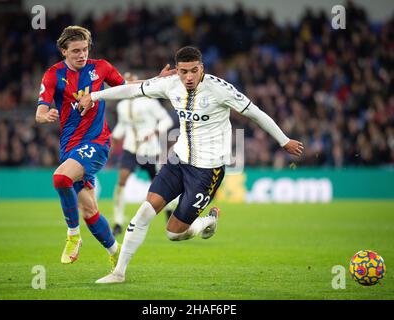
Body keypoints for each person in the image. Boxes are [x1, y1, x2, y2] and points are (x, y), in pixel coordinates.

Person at [79, 46, 304, 283]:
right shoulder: (170, 84)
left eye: (193, 71)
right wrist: (93, 97)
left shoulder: (220, 89)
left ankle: (207, 221)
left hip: (207, 171)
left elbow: (255, 113)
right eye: (183, 71)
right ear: (177, 70)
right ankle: (119, 273)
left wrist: (284, 140)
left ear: (202, 68)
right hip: (177, 160)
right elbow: (133, 90)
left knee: (173, 233)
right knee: (145, 211)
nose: (188, 77)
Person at [35, 25, 175, 270]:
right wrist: (43, 115)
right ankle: (116, 252)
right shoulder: (53, 75)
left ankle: (72, 236)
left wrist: (157, 81)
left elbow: (128, 87)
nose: (82, 55)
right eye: (76, 50)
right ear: (63, 52)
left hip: (97, 143)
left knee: (60, 178)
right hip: (70, 148)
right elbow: (40, 110)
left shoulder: (101, 68)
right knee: (89, 209)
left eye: (85, 49)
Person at [111, 72, 176, 236]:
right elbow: (122, 126)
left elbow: (166, 120)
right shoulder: (122, 105)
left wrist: (155, 131)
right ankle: (118, 221)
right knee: (122, 179)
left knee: (161, 183)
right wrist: (113, 138)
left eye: (132, 81)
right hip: (131, 148)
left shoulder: (149, 102)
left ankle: (169, 210)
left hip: (150, 149)